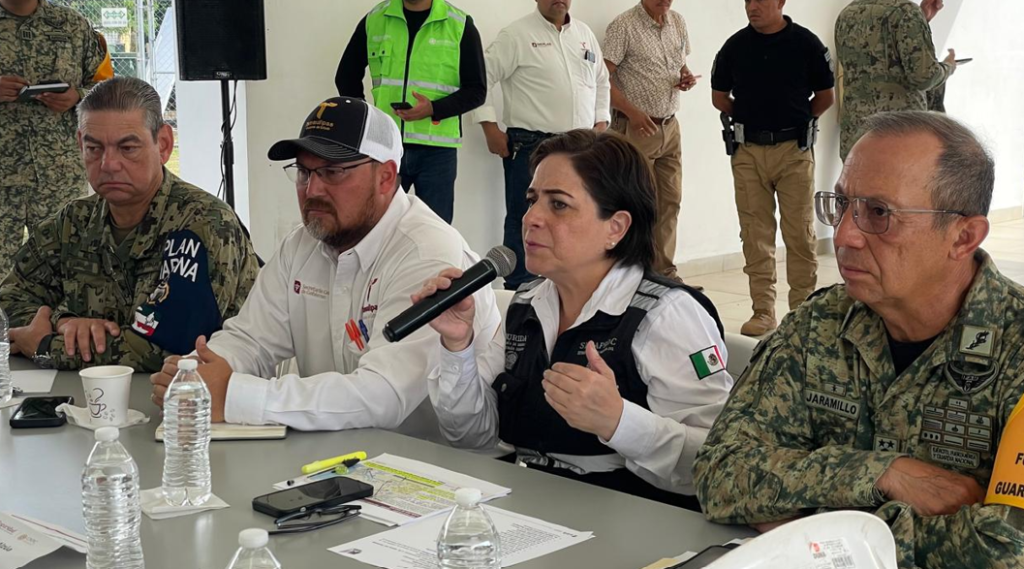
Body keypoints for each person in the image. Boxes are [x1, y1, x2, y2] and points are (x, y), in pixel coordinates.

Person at [694, 112, 1024, 567]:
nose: (844, 234)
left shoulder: (1017, 346)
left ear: (963, 236)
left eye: (879, 213)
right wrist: (881, 474)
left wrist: (812, 527)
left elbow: (1007, 550)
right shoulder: (820, 322)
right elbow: (721, 474)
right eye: (843, 204)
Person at [149, 97, 500, 439]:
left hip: (436, 473)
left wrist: (232, 395)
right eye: (303, 171)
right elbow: (251, 340)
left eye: (332, 172)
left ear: (386, 177)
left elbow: (381, 396)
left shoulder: (428, 253)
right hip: (339, 461)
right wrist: (195, 374)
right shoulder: (302, 244)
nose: (312, 189)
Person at [417, 130, 732, 510]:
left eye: (559, 205)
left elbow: (718, 463)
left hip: (628, 517)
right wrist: (458, 347)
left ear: (615, 227)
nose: (531, 217)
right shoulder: (528, 303)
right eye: (532, 200)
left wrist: (618, 421)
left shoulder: (665, 316)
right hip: (530, 505)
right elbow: (471, 438)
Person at [0, 77, 259, 372]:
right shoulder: (73, 222)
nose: (108, 164)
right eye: (94, 148)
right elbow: (9, 298)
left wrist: (47, 346)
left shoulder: (204, 224)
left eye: (127, 148)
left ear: (163, 144)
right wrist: (63, 322)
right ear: (79, 144)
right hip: (92, 399)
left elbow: (174, 345)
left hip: (189, 402)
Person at [711, 0, 835, 337]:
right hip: (748, 152)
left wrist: (794, 119)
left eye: (761, 0)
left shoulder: (806, 44)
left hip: (793, 150)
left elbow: (824, 97)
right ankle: (762, 311)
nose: (752, 7)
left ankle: (802, 312)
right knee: (755, 234)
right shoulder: (735, 47)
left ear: (780, 2)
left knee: (799, 233)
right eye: (748, 1)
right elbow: (720, 97)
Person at [473, 0, 610, 291]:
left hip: (580, 147)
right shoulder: (516, 35)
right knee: (527, 218)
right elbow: (481, 76)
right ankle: (519, 288)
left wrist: (601, 121)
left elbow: (602, 81)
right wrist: (489, 126)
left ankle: (567, 284)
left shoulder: (584, 34)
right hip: (532, 145)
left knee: (576, 215)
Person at [335, 0, 486, 224]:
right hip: (386, 147)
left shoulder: (460, 24)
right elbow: (346, 76)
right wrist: (367, 122)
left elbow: (477, 90)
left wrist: (434, 109)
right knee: (376, 228)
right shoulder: (375, 19)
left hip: (437, 152)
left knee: (436, 232)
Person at [0, 0, 114, 276]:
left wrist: (78, 96)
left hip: (58, 177)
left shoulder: (73, 26)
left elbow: (108, 86)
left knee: (65, 268)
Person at [604, 0, 698, 284]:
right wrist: (632, 113)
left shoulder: (677, 22)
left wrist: (686, 77)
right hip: (636, 129)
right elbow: (601, 78)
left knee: (670, 203)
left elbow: (681, 64)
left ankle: (664, 273)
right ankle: (629, 275)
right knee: (634, 203)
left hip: (670, 126)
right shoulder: (624, 26)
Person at [835, 0, 957, 161]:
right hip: (897, 134)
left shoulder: (847, 13)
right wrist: (948, 67)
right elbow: (924, 77)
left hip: (855, 135)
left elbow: (875, 61)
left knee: (859, 185)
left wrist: (922, 21)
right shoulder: (906, 12)